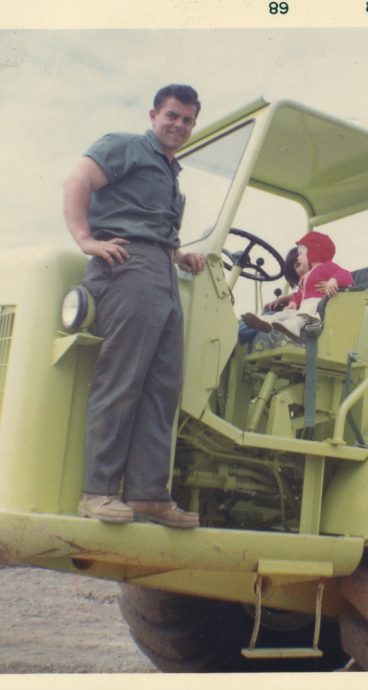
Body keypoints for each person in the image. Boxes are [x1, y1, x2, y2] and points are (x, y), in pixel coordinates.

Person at [63, 84, 205, 527]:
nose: (178, 125)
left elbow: (152, 222)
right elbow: (77, 181)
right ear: (153, 114)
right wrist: (86, 240)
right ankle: (97, 492)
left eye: (187, 120)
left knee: (163, 386)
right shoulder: (123, 146)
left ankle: (147, 495)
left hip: (162, 271)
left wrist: (179, 255)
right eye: (172, 116)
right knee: (121, 378)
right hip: (128, 268)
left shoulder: (169, 171)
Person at [242, 231, 353, 341]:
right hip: (305, 306)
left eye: (300, 254)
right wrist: (294, 302)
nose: (298, 257)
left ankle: (293, 327)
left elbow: (345, 274)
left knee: (307, 309)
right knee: (287, 313)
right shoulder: (306, 277)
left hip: (316, 309)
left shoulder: (327, 266)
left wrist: (333, 281)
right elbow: (301, 294)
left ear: (314, 252)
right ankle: (268, 320)